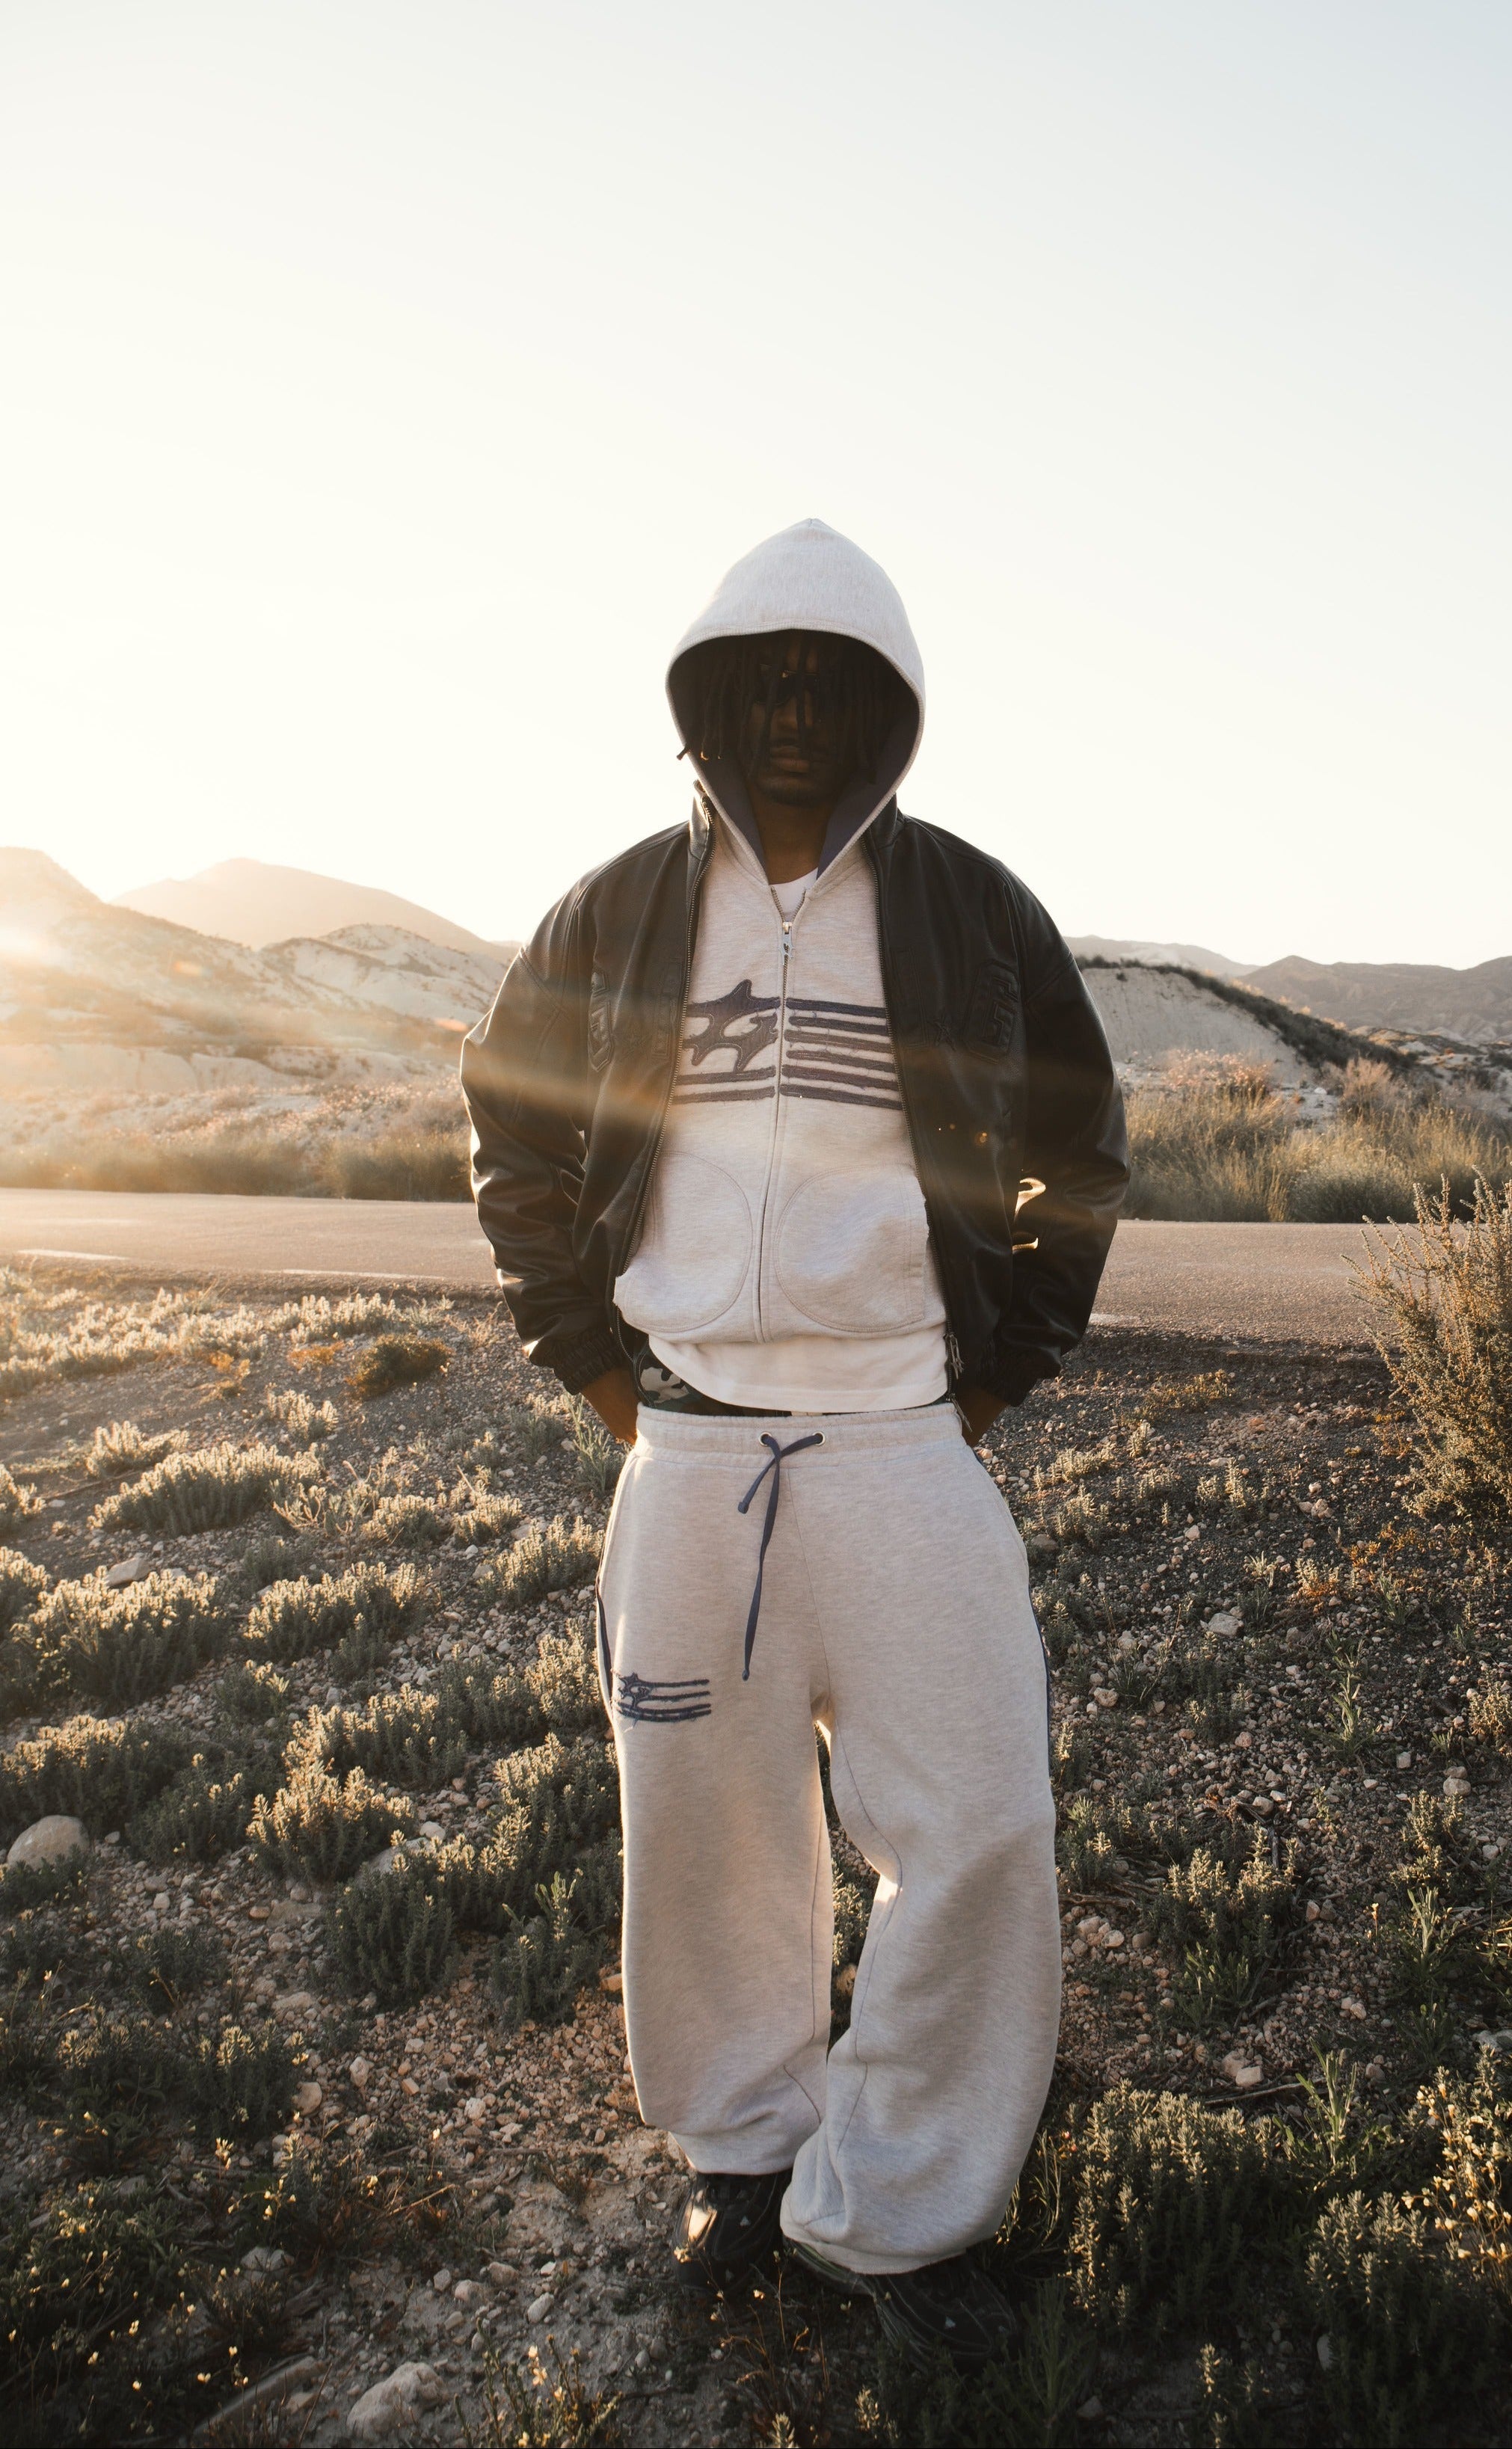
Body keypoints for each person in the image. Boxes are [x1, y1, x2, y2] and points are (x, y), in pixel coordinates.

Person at [461, 518, 1128, 2370]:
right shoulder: (617, 910)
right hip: (690, 1458)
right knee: (706, 1835)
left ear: (884, 712)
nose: (793, 717)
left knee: (979, 1826)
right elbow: (511, 1137)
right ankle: (747, 2158)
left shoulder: (972, 908)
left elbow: (1081, 1152)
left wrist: (988, 1383)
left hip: (906, 1447)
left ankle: (898, 2206)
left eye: (831, 687)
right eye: (764, 682)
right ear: (709, 700)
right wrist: (609, 1385)